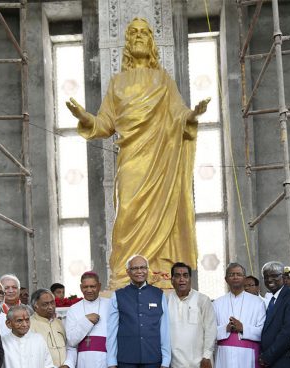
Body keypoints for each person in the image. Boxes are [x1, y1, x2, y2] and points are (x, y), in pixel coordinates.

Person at [66, 18, 210, 289]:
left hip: (161, 158)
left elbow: (179, 115)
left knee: (163, 211)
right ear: (128, 43)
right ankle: (124, 273)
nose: (140, 36)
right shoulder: (117, 82)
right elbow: (104, 124)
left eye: (145, 32)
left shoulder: (163, 80)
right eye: (134, 33)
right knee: (127, 213)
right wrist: (84, 116)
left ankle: (160, 271)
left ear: (152, 41)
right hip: (131, 159)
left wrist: (192, 114)